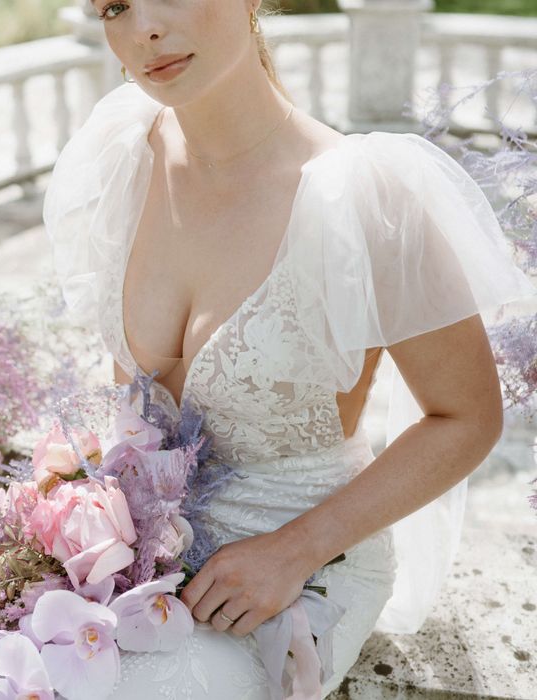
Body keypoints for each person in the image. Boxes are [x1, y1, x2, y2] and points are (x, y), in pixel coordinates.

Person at [40, 1, 537, 698]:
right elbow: (130, 408)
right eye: (114, 6)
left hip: (300, 567)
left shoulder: (363, 194)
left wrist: (295, 549)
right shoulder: (122, 151)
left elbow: (467, 417)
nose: (143, 29)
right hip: (138, 573)